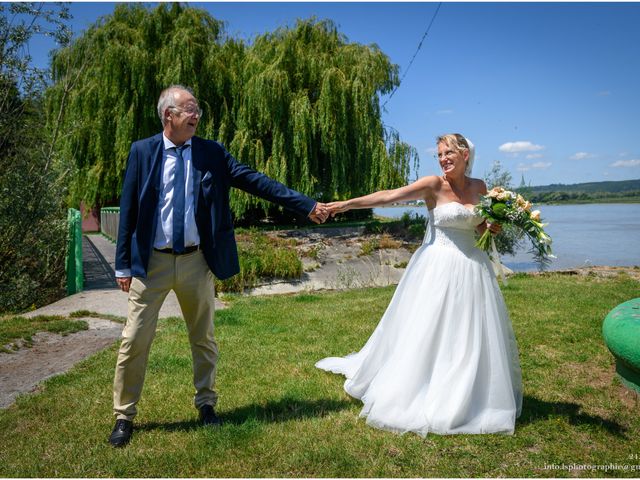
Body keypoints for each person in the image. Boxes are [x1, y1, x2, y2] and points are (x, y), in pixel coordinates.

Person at [110, 85, 328, 447]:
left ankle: (207, 404)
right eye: (189, 109)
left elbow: (256, 181)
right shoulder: (143, 152)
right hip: (152, 263)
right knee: (133, 340)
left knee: (203, 338)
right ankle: (124, 416)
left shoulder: (212, 153)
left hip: (197, 261)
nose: (196, 116)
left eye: (197, 110)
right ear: (169, 116)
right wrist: (122, 265)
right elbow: (129, 209)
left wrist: (304, 204)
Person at [316, 133, 522, 436]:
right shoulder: (433, 185)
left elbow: (479, 227)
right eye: (439, 154)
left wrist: (491, 226)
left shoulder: (480, 187)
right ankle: (419, 386)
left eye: (449, 153)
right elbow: (388, 196)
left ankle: (472, 393)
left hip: (473, 268)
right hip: (438, 266)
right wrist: (344, 205)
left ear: (465, 154)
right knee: (428, 329)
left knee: (471, 331)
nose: (443, 159)